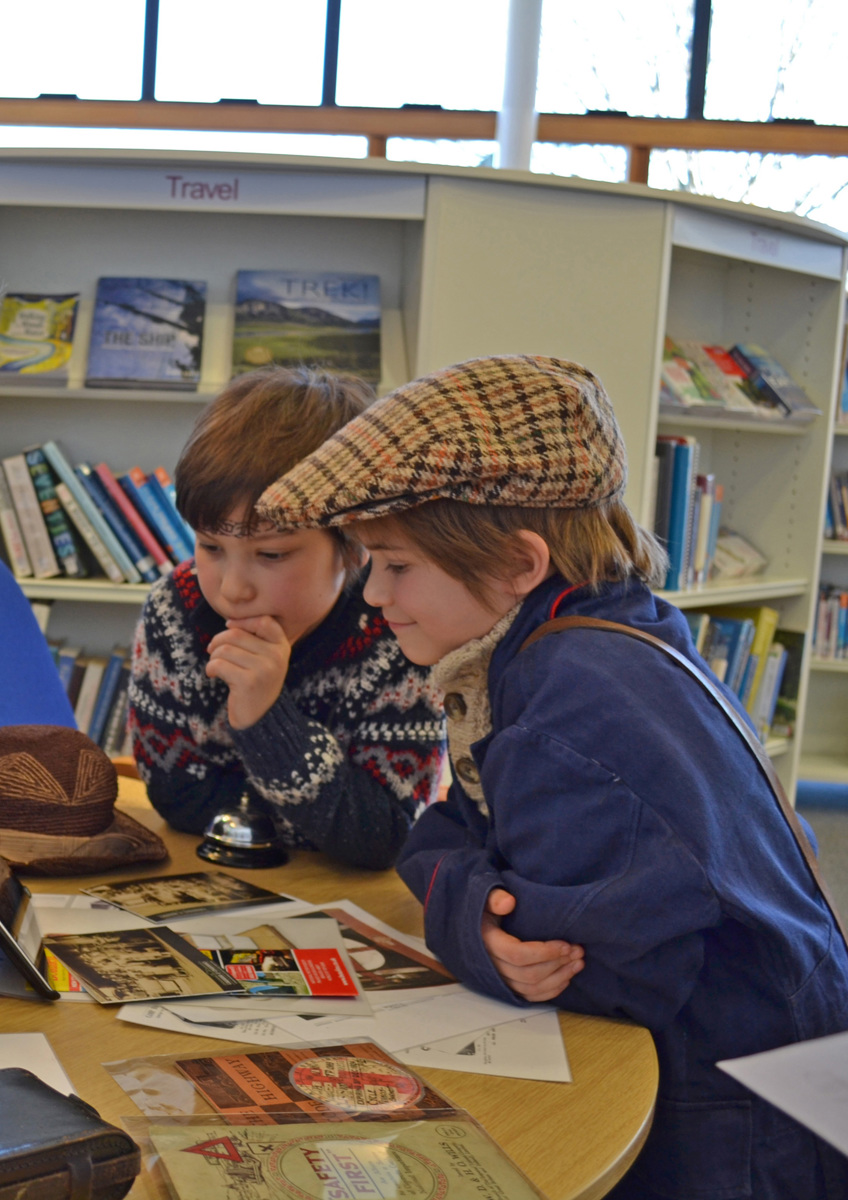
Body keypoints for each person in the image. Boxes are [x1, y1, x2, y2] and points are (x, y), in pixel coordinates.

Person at [253, 353, 848, 1198]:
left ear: (519, 565)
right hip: (772, 1069)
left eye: (396, 564)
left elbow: (582, 966)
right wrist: (470, 882)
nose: (375, 595)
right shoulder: (584, 636)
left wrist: (465, 916)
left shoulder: (566, 704)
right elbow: (449, 830)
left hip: (728, 1130)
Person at [126, 366, 445, 870]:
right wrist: (323, 813)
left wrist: (264, 718)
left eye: (271, 555)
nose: (233, 589)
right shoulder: (176, 609)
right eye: (211, 546)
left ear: (354, 543)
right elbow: (179, 799)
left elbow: (385, 834)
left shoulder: (401, 629)